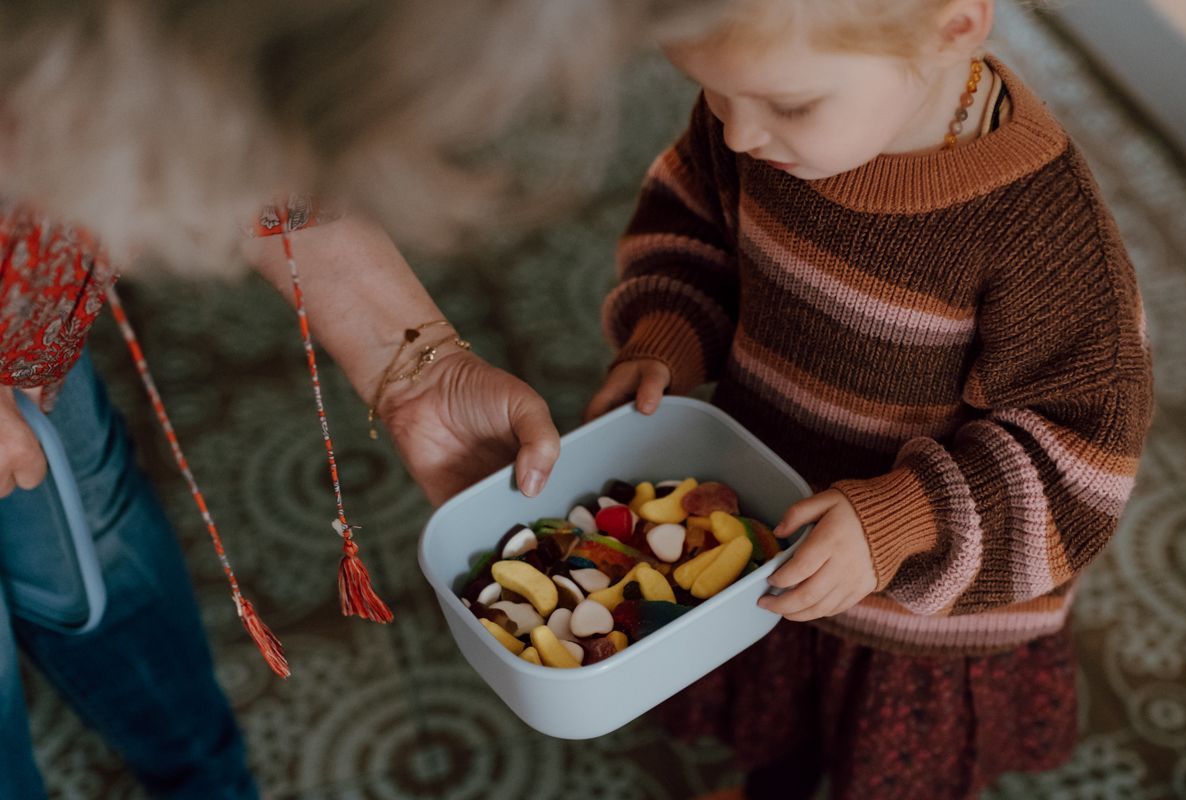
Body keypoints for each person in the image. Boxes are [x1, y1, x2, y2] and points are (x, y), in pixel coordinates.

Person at [0, 2, 730, 797]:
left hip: (34, 347)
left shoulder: (177, 71)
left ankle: (201, 770)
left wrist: (417, 365)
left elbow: (242, 124)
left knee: (100, 544)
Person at [586, 0, 1154, 797]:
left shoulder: (1045, 240)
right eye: (711, 92)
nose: (740, 134)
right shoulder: (759, 109)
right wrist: (668, 336)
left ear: (951, 28)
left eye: (789, 105)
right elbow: (694, 226)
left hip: (914, 613)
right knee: (780, 723)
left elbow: (1078, 458)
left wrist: (903, 521)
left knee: (884, 768)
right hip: (765, 536)